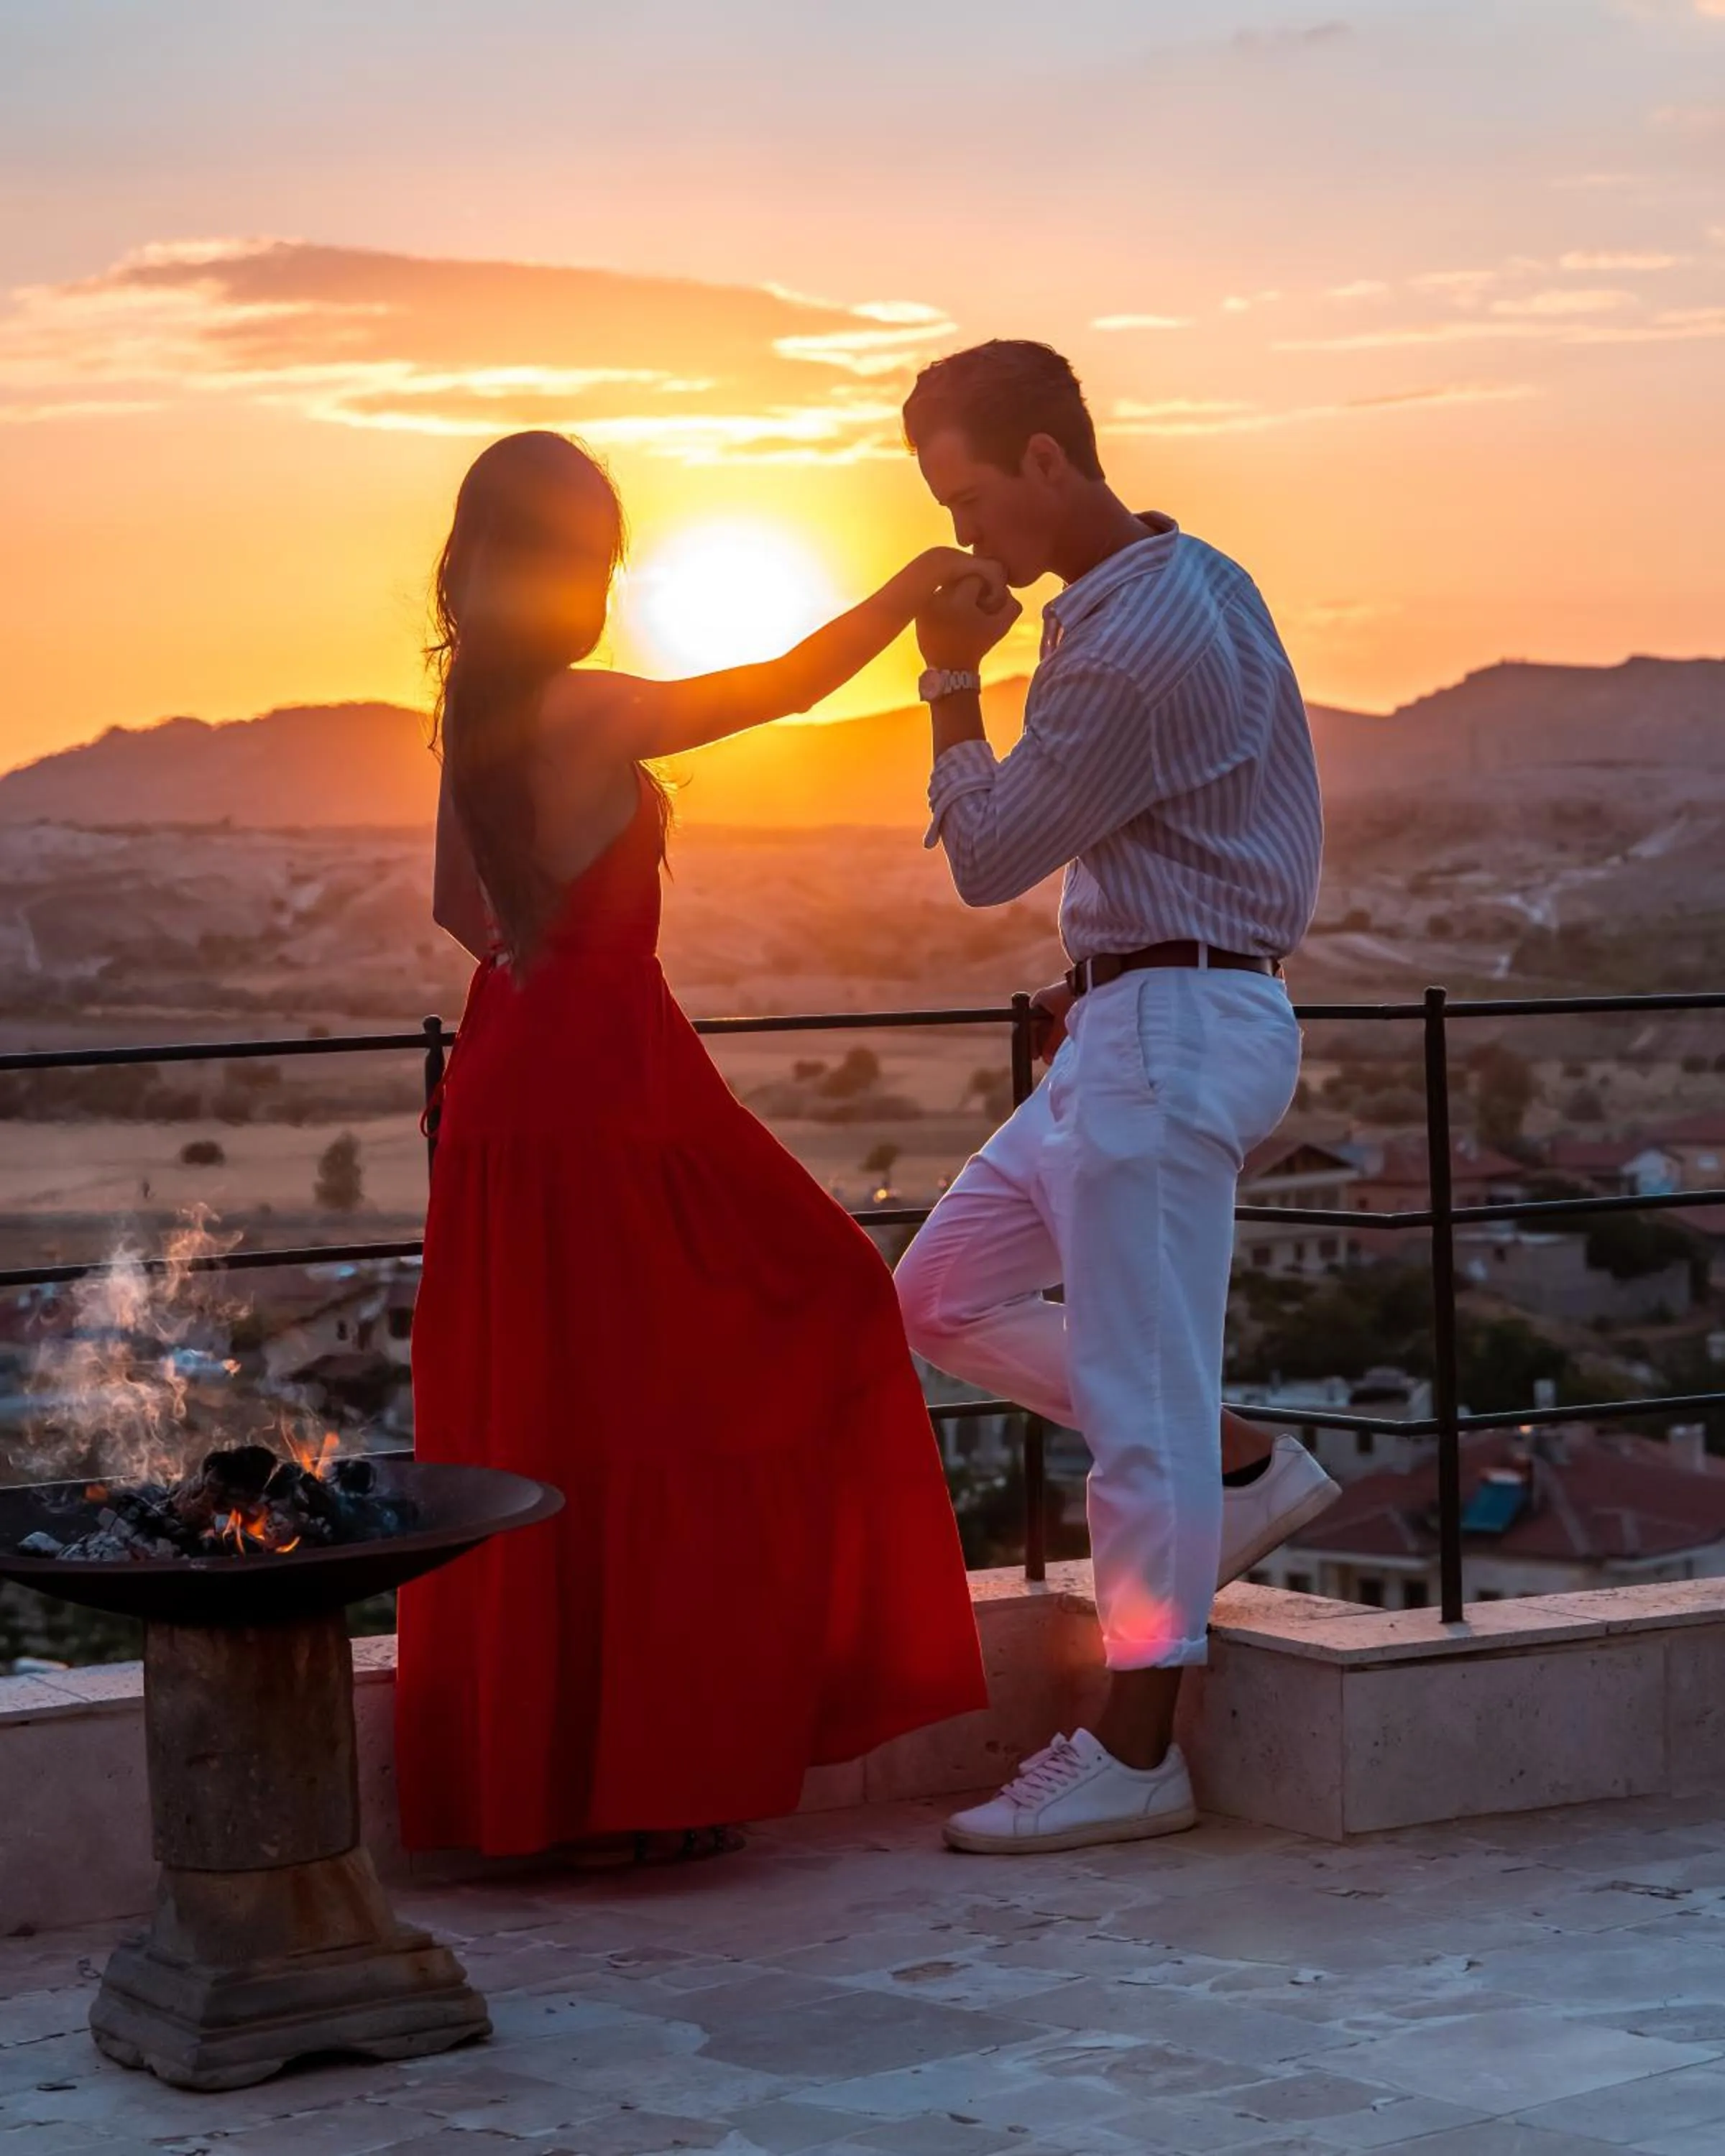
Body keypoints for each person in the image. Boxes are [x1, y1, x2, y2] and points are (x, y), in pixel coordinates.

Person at [395, 430, 990, 1859]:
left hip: (509, 1091)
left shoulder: (476, 712)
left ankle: (570, 1796)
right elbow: (777, 691)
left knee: (554, 1422)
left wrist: (544, 959)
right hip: (616, 1089)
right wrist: (911, 587)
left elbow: (452, 910)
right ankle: (659, 1781)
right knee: (810, 1311)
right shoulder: (586, 711)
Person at [891, 342, 1339, 1855]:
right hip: (1142, 1013)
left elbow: (990, 855)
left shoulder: (1128, 644)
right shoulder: (1201, 570)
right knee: (940, 1294)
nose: (968, 539)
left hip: (1165, 1023)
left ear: (1044, 460)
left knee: (1134, 1419)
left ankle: (1137, 1753)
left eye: (969, 497)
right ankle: (1243, 1464)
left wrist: (951, 679)